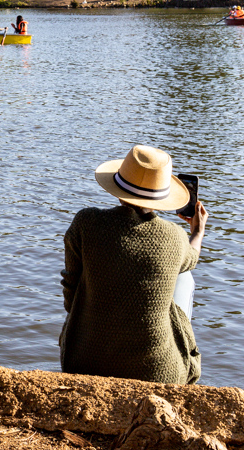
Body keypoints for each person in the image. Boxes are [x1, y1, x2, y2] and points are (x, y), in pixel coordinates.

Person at [60, 144, 208, 384]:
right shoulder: (175, 237)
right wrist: (197, 232)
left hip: (83, 362)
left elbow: (70, 297)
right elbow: (192, 257)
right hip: (159, 373)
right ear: (164, 197)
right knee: (184, 275)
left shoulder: (85, 223)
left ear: (118, 189)